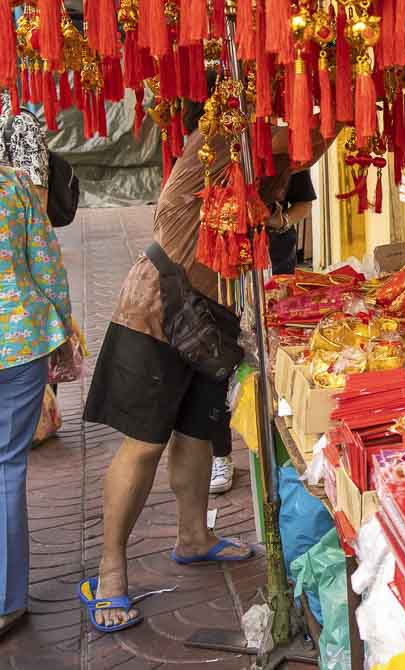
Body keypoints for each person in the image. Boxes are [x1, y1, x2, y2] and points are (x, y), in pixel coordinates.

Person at [80, 115, 330, 633]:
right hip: (160, 305)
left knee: (196, 433)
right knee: (145, 443)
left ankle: (193, 537)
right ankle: (109, 573)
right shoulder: (227, 131)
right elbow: (298, 144)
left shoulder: (271, 159)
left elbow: (296, 168)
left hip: (214, 314)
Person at [209, 171, 315, 496]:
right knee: (219, 358)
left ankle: (279, 438)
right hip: (220, 260)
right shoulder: (212, 152)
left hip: (273, 257)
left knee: (275, 347)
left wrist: (279, 221)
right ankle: (220, 454)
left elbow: (305, 204)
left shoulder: (285, 150)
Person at [0, 165, 71, 638]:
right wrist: (63, 326)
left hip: (21, 342)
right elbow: (46, 261)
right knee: (6, 467)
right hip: (21, 338)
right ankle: (7, 601)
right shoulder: (13, 184)